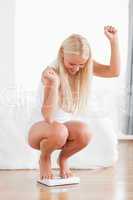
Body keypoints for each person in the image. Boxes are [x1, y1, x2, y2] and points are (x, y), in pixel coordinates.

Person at [28, 25, 120, 180]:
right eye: (72, 64)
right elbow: (48, 117)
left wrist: (114, 41)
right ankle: (44, 158)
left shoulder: (83, 66)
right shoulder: (50, 72)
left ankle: (63, 159)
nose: (77, 69)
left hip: (62, 128)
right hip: (40, 128)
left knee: (85, 132)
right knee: (59, 131)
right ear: (62, 54)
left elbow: (113, 72)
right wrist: (54, 84)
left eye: (81, 64)